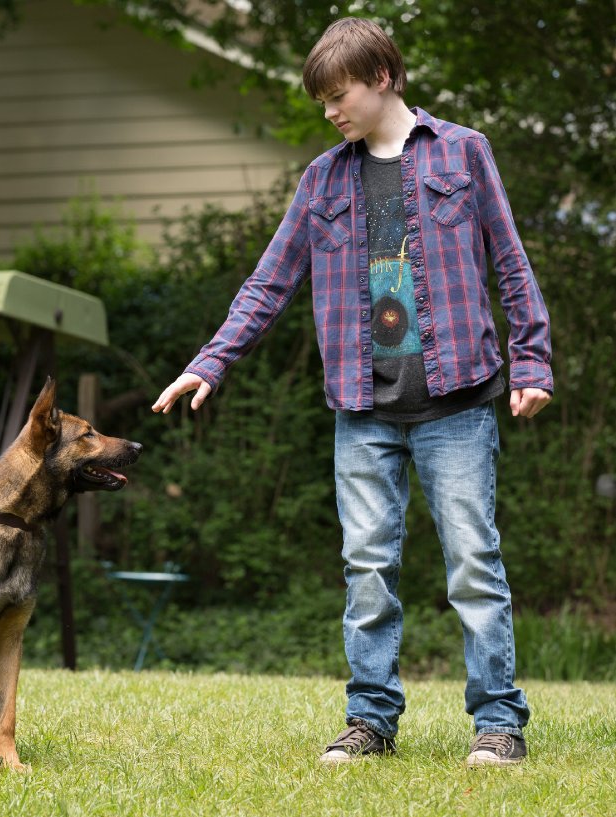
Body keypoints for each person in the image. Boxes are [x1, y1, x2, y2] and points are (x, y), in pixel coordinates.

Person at [152, 17, 552, 767]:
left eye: (339, 95)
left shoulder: (464, 153)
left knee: (472, 562)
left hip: (457, 402)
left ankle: (498, 723)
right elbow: (268, 283)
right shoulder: (321, 179)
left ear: (383, 78)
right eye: (321, 101)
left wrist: (531, 364)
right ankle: (369, 719)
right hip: (361, 410)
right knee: (366, 569)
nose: (331, 110)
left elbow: (511, 263)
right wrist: (210, 362)